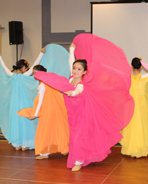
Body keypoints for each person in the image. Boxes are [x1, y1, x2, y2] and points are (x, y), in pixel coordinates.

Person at [34, 34, 134, 172]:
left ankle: (78, 161)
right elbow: (71, 62)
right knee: (76, 137)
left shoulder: (81, 85)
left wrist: (70, 92)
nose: (75, 71)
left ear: (85, 72)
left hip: (83, 115)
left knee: (78, 137)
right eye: (74, 68)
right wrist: (72, 49)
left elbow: (75, 92)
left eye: (79, 69)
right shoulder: (70, 78)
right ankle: (81, 157)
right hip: (72, 115)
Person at [0, 47, 44, 151]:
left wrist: (0, 57)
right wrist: (41, 54)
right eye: (26, 68)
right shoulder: (24, 76)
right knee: (25, 122)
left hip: (14, 104)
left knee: (17, 121)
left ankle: (17, 143)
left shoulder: (12, 76)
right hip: (24, 103)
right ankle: (25, 144)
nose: (28, 70)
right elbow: (34, 66)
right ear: (23, 67)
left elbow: (4, 67)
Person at [18, 64, 69, 160]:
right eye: (33, 73)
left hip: (48, 111)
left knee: (44, 131)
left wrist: (35, 114)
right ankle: (65, 148)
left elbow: (40, 100)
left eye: (35, 73)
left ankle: (44, 153)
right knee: (58, 128)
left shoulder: (42, 85)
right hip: (54, 110)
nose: (34, 75)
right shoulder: (49, 83)